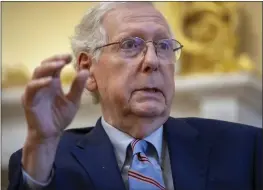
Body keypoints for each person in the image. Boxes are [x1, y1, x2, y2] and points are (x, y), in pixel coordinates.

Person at [7, 2, 262, 190]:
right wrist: (41, 143)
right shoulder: (45, 162)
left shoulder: (246, 150)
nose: (152, 61)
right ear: (87, 69)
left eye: (163, 46)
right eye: (131, 45)